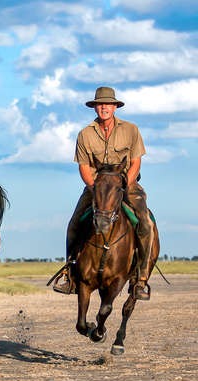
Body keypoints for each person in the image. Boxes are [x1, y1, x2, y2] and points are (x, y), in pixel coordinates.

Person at [53, 87, 155, 300]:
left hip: (126, 185)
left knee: (145, 223)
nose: (104, 107)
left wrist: (126, 183)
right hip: (96, 187)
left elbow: (136, 162)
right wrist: (94, 187)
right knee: (74, 224)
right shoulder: (85, 134)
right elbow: (83, 167)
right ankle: (70, 274)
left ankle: (141, 279)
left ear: (115, 107)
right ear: (95, 107)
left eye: (108, 104)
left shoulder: (131, 130)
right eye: (100, 104)